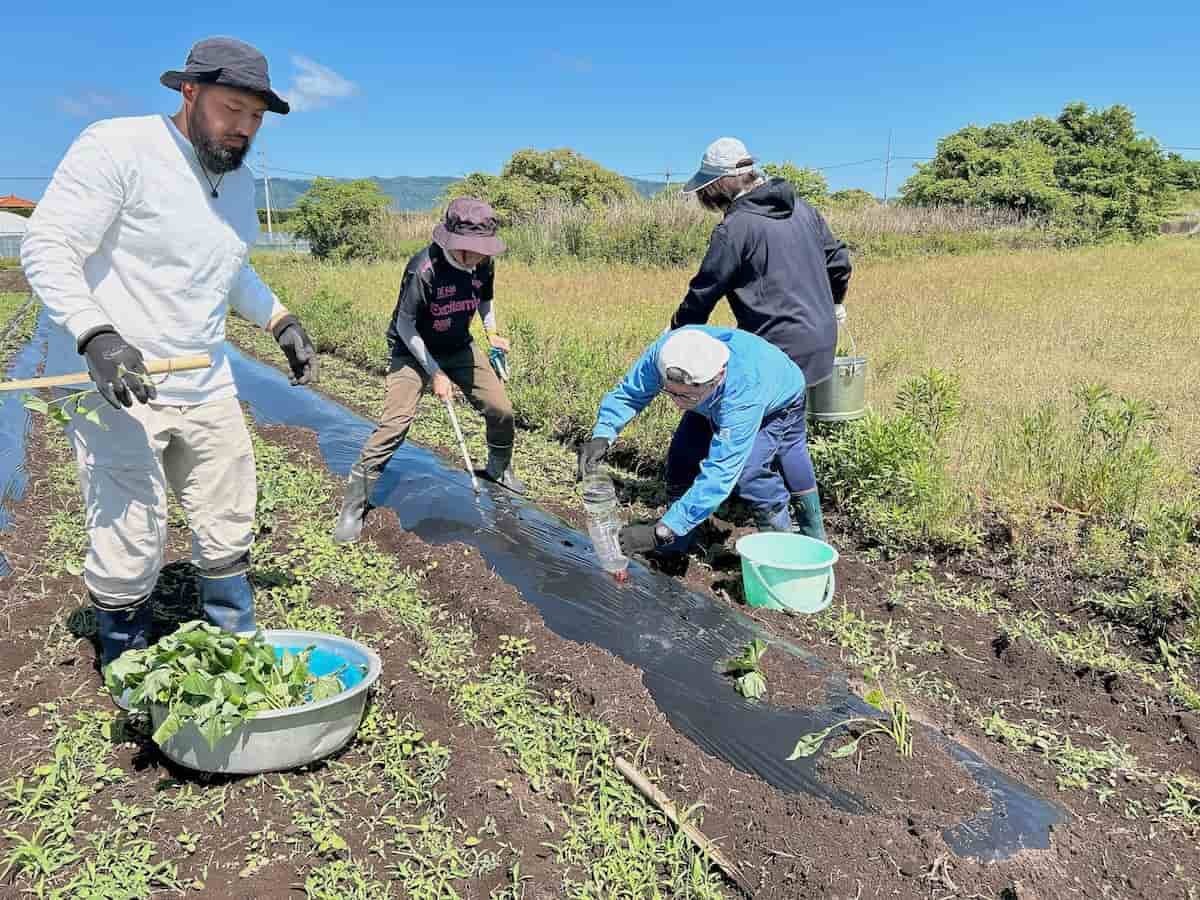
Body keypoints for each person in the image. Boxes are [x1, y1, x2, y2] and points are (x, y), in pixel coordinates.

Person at [21, 37, 318, 674]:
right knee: (131, 525)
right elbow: (47, 246)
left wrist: (279, 317)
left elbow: (230, 268)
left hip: (203, 376)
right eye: (233, 109)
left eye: (256, 118)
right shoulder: (119, 148)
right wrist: (97, 334)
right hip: (118, 377)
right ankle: (126, 656)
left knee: (228, 506)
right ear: (190, 91)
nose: (243, 129)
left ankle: (234, 639)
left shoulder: (235, 184)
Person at [666, 136, 853, 540]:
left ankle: (760, 528)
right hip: (819, 344)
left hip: (776, 349)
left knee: (714, 431)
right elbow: (839, 260)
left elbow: (704, 292)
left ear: (718, 185)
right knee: (789, 435)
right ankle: (813, 531)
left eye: (706, 190)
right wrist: (835, 304)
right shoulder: (804, 209)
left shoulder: (735, 227)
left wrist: (678, 336)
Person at [333, 197, 523, 544]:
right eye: (472, 250)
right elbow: (406, 324)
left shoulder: (484, 265)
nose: (478, 257)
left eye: (483, 250)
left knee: (501, 409)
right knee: (396, 424)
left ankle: (499, 467)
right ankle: (353, 506)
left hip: (458, 345)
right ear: (455, 243)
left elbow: (485, 300)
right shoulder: (424, 268)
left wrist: (492, 332)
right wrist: (434, 372)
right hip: (412, 350)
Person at [577, 326, 816, 567]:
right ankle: (677, 541)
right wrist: (603, 435)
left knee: (749, 473)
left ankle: (780, 543)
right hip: (710, 400)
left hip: (777, 399)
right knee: (682, 459)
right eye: (670, 393)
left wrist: (658, 533)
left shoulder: (743, 394)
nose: (679, 406)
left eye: (686, 397)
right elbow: (630, 393)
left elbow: (720, 474)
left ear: (718, 377)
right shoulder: (666, 353)